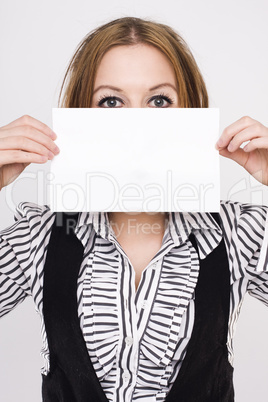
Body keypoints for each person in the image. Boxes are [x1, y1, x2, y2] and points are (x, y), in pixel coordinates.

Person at [0, 16, 268, 402]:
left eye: (159, 100)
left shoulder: (238, 231)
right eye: (111, 101)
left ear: (189, 110)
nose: (137, 123)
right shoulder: (41, 233)